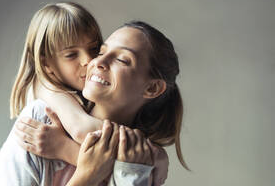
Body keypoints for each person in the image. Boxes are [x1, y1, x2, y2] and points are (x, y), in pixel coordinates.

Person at [0, 3, 168, 185]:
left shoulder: (140, 156)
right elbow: (79, 127)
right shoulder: (42, 119)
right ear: (47, 65)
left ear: (152, 88)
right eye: (71, 55)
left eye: (95, 50)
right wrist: (89, 172)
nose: (91, 61)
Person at [16, 21, 189, 184]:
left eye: (122, 59)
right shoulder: (42, 123)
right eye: (100, 52)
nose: (98, 61)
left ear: (152, 88)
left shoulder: (140, 164)